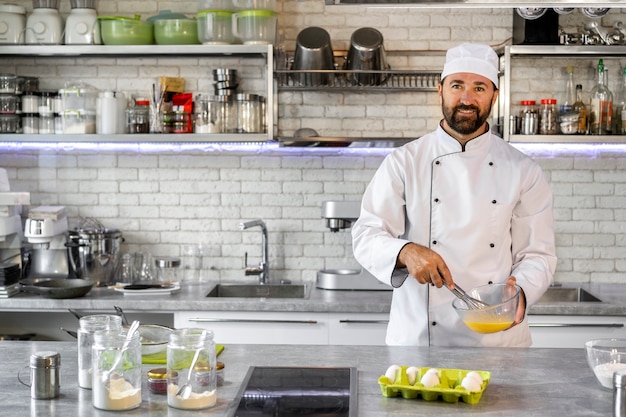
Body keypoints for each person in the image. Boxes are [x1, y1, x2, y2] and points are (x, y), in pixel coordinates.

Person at [351, 43, 557, 347]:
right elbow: (366, 234)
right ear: (440, 90)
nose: (466, 99)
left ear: (494, 96)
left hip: (496, 340)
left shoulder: (523, 169)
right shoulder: (404, 161)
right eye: (457, 85)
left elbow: (538, 254)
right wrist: (405, 251)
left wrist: (521, 291)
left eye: (479, 88)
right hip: (421, 338)